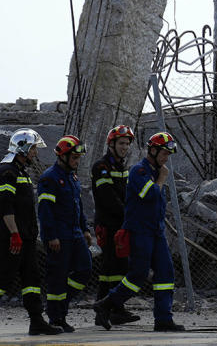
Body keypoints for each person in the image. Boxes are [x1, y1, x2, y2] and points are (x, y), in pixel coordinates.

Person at [0, 128, 62, 336]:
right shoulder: (7, 171)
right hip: (13, 236)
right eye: (34, 148)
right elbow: (5, 206)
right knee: (4, 277)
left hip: (25, 235)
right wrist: (14, 234)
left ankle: (36, 321)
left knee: (32, 278)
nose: (36, 152)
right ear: (23, 148)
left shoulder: (20, 171)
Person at [93, 131, 185, 332]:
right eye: (164, 154)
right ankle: (106, 304)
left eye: (168, 155)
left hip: (156, 231)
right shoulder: (139, 171)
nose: (166, 158)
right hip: (140, 232)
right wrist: (161, 178)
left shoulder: (153, 171)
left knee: (166, 273)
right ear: (152, 150)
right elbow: (150, 195)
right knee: (138, 274)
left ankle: (163, 319)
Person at [37, 135, 94, 332]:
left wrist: (85, 229)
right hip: (59, 236)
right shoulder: (49, 178)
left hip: (75, 234)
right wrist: (51, 235)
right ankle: (56, 317)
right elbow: (45, 211)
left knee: (85, 269)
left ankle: (61, 306)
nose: (77, 162)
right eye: (75, 158)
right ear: (63, 157)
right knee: (57, 277)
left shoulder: (72, 177)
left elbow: (77, 207)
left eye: (78, 158)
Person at [90, 125, 140, 326]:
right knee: (113, 266)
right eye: (121, 143)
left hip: (120, 223)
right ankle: (111, 309)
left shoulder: (121, 167)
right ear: (111, 144)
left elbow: (126, 194)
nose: (125, 147)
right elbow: (108, 198)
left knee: (113, 268)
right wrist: (129, 213)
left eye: (127, 144)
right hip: (109, 224)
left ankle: (107, 310)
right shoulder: (101, 167)